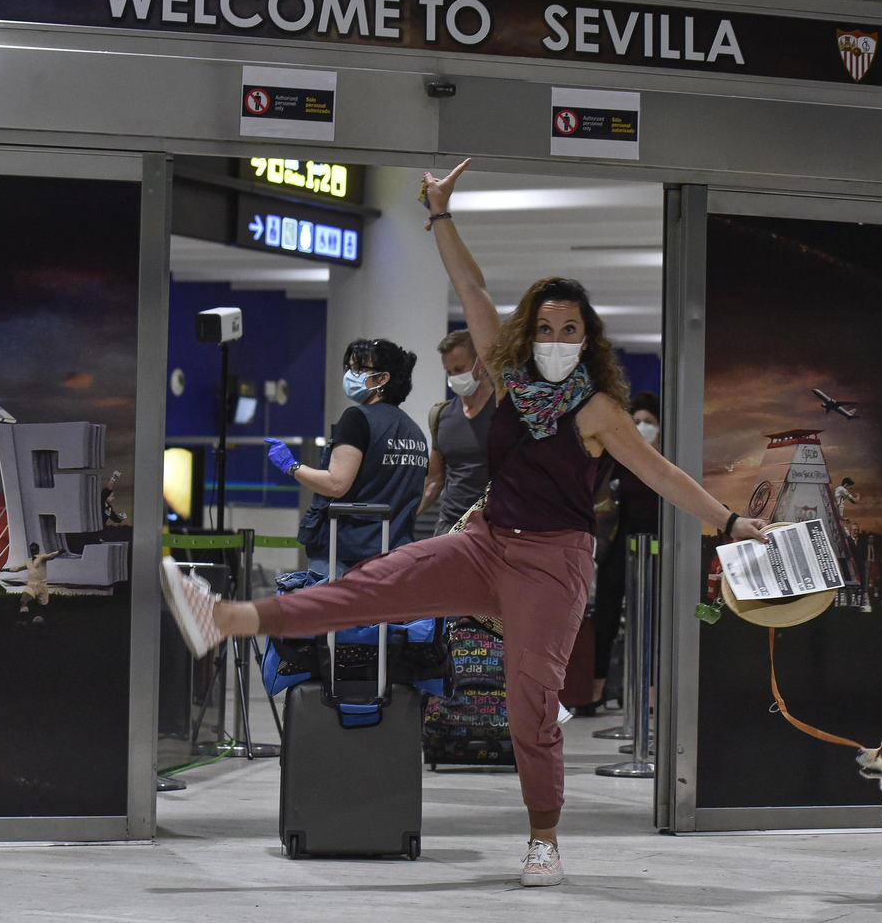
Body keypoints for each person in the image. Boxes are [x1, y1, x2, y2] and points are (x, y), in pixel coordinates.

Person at [160, 159, 767, 889]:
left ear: (586, 339)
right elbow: (474, 291)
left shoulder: (599, 410)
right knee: (371, 584)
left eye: (568, 329)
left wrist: (729, 521)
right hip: (485, 542)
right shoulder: (509, 382)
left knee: (530, 703)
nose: (555, 337)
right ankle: (228, 616)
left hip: (554, 563)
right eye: (544, 326)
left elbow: (662, 474)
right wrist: (440, 213)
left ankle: (544, 839)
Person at [266, 338, 428, 575]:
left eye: (360, 369)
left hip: (347, 557)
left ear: (383, 378)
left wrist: (291, 465)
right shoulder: (416, 432)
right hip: (396, 556)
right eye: (350, 368)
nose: (351, 375)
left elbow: (336, 484)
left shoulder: (358, 419)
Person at [579, 391, 662, 715]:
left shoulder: (667, 462)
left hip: (659, 545)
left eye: (649, 422)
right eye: (637, 421)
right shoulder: (620, 457)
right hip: (621, 542)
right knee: (606, 616)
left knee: (654, 619)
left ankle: (650, 692)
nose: (642, 427)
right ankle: (595, 689)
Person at [419, 329, 495, 535]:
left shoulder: (503, 410)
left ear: (480, 362)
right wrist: (408, 515)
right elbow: (434, 479)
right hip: (450, 525)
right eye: (449, 371)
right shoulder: (442, 415)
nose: (454, 377)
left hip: (494, 526)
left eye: (460, 369)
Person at [7, 541, 60, 621]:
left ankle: (46, 620)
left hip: (41, 586)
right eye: (32, 550)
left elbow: (51, 556)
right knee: (23, 601)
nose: (33, 552)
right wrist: (4, 570)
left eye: (35, 550)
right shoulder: (29, 561)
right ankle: (23, 621)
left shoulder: (42, 558)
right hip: (31, 585)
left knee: (44, 606)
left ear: (38, 550)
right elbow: (18, 568)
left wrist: (59, 552)